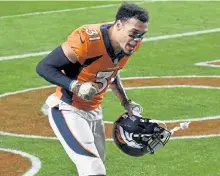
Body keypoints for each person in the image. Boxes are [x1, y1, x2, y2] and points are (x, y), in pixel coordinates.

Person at [36, 2, 148, 176]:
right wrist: (75, 86)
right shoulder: (88, 40)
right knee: (93, 169)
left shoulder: (128, 44)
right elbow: (44, 67)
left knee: (97, 167)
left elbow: (110, 71)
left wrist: (125, 102)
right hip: (67, 109)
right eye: (133, 34)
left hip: (95, 112)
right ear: (118, 25)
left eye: (141, 35)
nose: (136, 40)